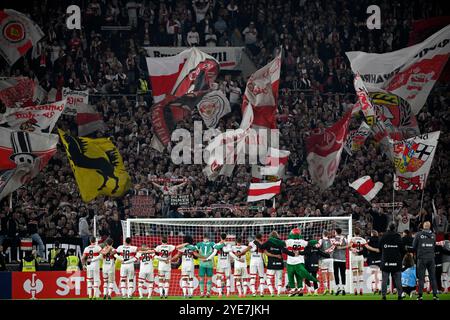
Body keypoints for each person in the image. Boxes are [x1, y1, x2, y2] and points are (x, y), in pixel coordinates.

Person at [285, 228, 318, 297]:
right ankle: (300, 289)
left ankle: (293, 289)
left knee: (290, 277)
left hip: (290, 262)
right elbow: (310, 243)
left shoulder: (289, 241)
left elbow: (282, 245)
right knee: (299, 276)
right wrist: (316, 241)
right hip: (300, 261)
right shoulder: (302, 242)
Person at [205, 233, 237, 297]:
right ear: (226, 237)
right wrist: (237, 258)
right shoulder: (228, 245)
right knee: (228, 277)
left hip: (220, 263)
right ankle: (228, 293)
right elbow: (231, 254)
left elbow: (214, 253)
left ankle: (219, 293)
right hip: (227, 263)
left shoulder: (217, 245)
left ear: (220, 237)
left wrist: (207, 259)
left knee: (218, 278)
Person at [413, 221, 439, 300]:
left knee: (421, 278)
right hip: (431, 258)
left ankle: (420, 296)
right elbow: (434, 246)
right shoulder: (433, 235)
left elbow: (414, 246)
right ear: (430, 226)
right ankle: (435, 295)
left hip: (421, 258)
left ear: (423, 226)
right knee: (432, 277)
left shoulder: (418, 234)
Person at [378, 222, 405, 300]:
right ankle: (400, 295)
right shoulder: (398, 236)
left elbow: (379, 248)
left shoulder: (383, 236)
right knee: (398, 280)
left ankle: (383, 296)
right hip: (396, 261)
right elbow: (402, 249)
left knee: (384, 280)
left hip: (385, 260)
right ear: (395, 228)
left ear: (388, 228)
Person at [261, 231, 288, 297]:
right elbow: (284, 249)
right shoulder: (280, 242)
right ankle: (278, 293)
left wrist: (266, 252)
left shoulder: (268, 242)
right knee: (279, 279)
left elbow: (261, 247)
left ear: (270, 236)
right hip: (280, 263)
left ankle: (272, 292)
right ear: (277, 236)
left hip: (271, 263)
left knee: (268, 279)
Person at [331, 228, 348, 295]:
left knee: (336, 274)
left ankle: (338, 288)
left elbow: (331, 248)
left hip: (335, 259)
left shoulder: (333, 239)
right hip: (343, 259)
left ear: (335, 232)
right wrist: (342, 247)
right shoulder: (344, 238)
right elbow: (348, 246)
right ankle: (343, 288)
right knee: (343, 274)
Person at [318, 230, 334, 294]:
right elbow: (334, 246)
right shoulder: (332, 240)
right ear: (328, 235)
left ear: (323, 234)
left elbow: (318, 246)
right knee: (331, 273)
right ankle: (332, 289)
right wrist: (329, 250)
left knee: (324, 273)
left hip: (323, 259)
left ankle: (326, 289)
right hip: (330, 259)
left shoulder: (321, 240)